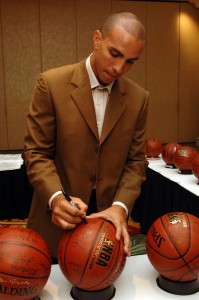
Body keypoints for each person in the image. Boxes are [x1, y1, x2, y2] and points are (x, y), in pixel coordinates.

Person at [22, 11, 149, 261]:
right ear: (97, 39)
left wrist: (120, 207)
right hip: (53, 225)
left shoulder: (139, 98)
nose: (119, 68)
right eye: (115, 54)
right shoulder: (51, 84)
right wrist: (56, 199)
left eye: (130, 61)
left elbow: (136, 162)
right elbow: (36, 153)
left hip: (107, 232)